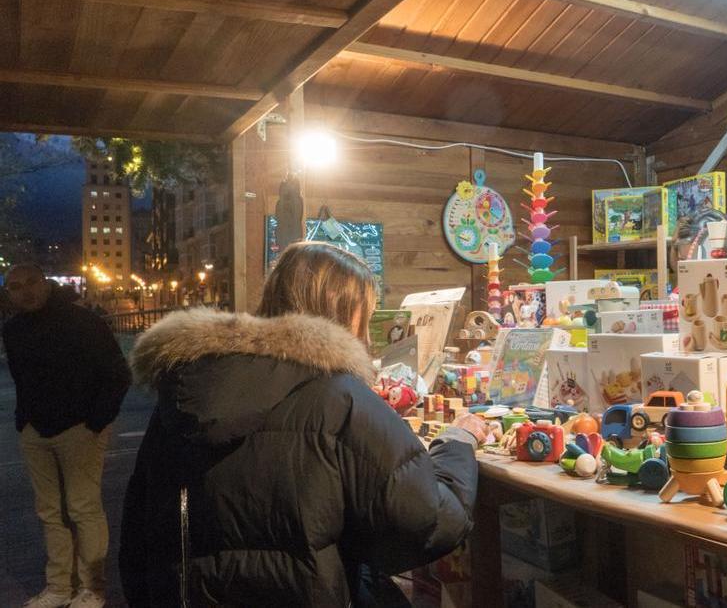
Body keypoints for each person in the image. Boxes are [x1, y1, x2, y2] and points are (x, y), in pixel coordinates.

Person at [120, 242, 485, 607]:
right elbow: (429, 521)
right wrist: (457, 441)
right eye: (366, 315)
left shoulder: (186, 390)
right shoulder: (339, 396)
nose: (369, 336)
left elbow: (136, 535)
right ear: (342, 314)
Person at [2, 264, 132, 608]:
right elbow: (22, 377)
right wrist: (24, 419)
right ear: (8, 293)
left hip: (78, 428)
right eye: (15, 286)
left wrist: (96, 421)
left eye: (31, 282)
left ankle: (93, 587)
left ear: (45, 283)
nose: (25, 291)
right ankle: (59, 586)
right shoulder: (12, 330)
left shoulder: (82, 322)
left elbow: (118, 373)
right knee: (50, 511)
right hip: (35, 430)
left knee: (82, 507)